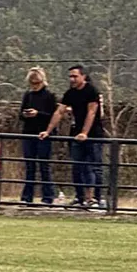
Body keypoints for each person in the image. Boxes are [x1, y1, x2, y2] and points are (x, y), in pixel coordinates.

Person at [40, 66, 105, 209]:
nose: (72, 79)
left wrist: (85, 133)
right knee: (77, 167)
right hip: (75, 135)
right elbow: (59, 111)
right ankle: (80, 197)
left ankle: (96, 198)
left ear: (83, 76)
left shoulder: (91, 91)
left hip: (93, 135)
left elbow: (92, 113)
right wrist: (48, 130)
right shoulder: (70, 93)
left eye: (75, 76)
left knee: (93, 167)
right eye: (70, 76)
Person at [18, 67, 57, 205]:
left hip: (44, 134)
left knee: (44, 165)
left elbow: (53, 115)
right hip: (29, 133)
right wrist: (25, 114)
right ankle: (27, 196)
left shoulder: (49, 95)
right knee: (30, 166)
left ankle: (48, 196)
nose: (34, 86)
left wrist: (38, 114)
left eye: (37, 83)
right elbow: (20, 114)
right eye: (32, 83)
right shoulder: (27, 95)